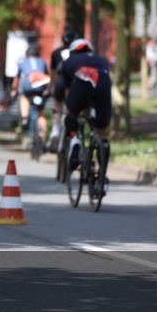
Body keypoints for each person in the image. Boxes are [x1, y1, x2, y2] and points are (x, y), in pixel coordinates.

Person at [59, 38, 112, 195]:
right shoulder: (102, 60)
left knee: (71, 115)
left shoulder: (68, 62)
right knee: (101, 131)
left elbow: (67, 91)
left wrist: (71, 108)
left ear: (72, 51)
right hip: (103, 82)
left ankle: (74, 141)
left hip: (82, 80)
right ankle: (102, 176)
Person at [11, 42, 49, 144]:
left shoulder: (23, 62)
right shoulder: (42, 61)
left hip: (28, 86)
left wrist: (14, 90)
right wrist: (47, 90)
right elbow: (47, 76)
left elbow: (17, 78)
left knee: (24, 97)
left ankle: (25, 117)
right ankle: (42, 137)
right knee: (41, 114)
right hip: (40, 87)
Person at [48, 30, 77, 147]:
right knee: (73, 108)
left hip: (60, 81)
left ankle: (55, 129)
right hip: (74, 83)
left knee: (57, 104)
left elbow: (53, 72)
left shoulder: (56, 52)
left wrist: (50, 87)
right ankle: (74, 134)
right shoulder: (77, 53)